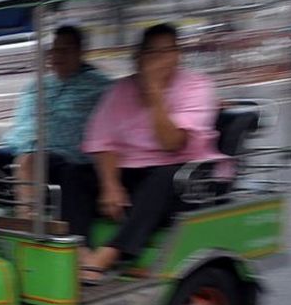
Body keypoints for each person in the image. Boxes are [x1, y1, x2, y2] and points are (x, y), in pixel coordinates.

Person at [79, 23, 223, 285]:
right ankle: (81, 252)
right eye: (151, 53)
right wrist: (110, 185)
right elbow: (103, 140)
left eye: (165, 52)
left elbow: (172, 143)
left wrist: (155, 92)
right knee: (72, 172)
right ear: (139, 57)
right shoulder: (121, 90)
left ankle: (111, 253)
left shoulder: (197, 87)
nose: (158, 60)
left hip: (183, 174)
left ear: (177, 55)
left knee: (164, 178)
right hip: (131, 171)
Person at [3, 25, 110, 245]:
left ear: (80, 52)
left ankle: (28, 224)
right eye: (55, 50)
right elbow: (20, 128)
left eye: (66, 50)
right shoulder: (36, 87)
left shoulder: (100, 87)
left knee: (29, 161)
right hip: (25, 147)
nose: (58, 56)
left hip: (71, 157)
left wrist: (30, 149)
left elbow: (87, 133)